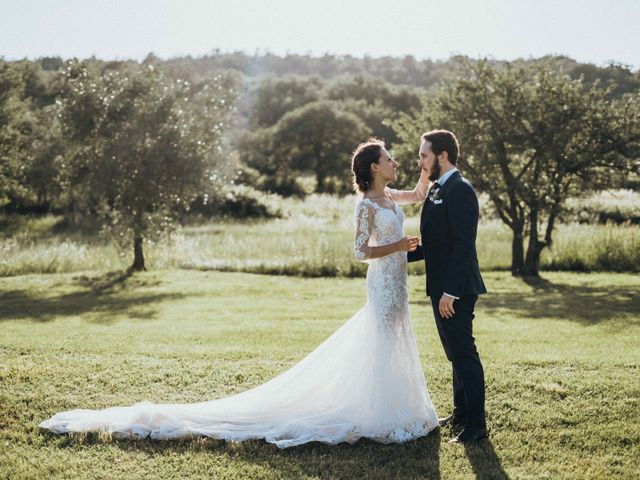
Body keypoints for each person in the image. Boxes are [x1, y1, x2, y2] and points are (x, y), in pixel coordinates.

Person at [39, 138, 438, 448]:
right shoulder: (366, 205)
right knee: (383, 339)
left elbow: (418, 195)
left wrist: (427, 166)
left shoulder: (390, 197)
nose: (395, 162)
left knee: (394, 339)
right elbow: (359, 253)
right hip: (382, 282)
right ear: (374, 166)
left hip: (398, 284)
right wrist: (399, 246)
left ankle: (393, 410)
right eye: (389, 158)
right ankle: (383, 415)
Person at [408, 130, 488, 443]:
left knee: (464, 353)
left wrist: (451, 292)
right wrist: (396, 253)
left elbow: (464, 244)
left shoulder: (460, 189)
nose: (420, 162)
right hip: (440, 287)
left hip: (456, 289)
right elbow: (437, 244)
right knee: (455, 353)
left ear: (442, 155)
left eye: (424, 156)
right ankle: (460, 413)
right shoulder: (436, 189)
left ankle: (477, 426)